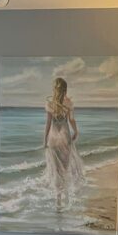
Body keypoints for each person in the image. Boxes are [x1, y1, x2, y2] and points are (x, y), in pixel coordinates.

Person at [43, 77, 85, 209]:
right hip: (65, 137)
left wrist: (45, 139)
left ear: (54, 89)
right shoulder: (69, 103)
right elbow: (71, 120)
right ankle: (65, 195)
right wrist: (76, 131)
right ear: (65, 89)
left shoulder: (50, 104)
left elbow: (48, 123)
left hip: (53, 139)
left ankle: (58, 200)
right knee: (64, 169)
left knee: (56, 170)